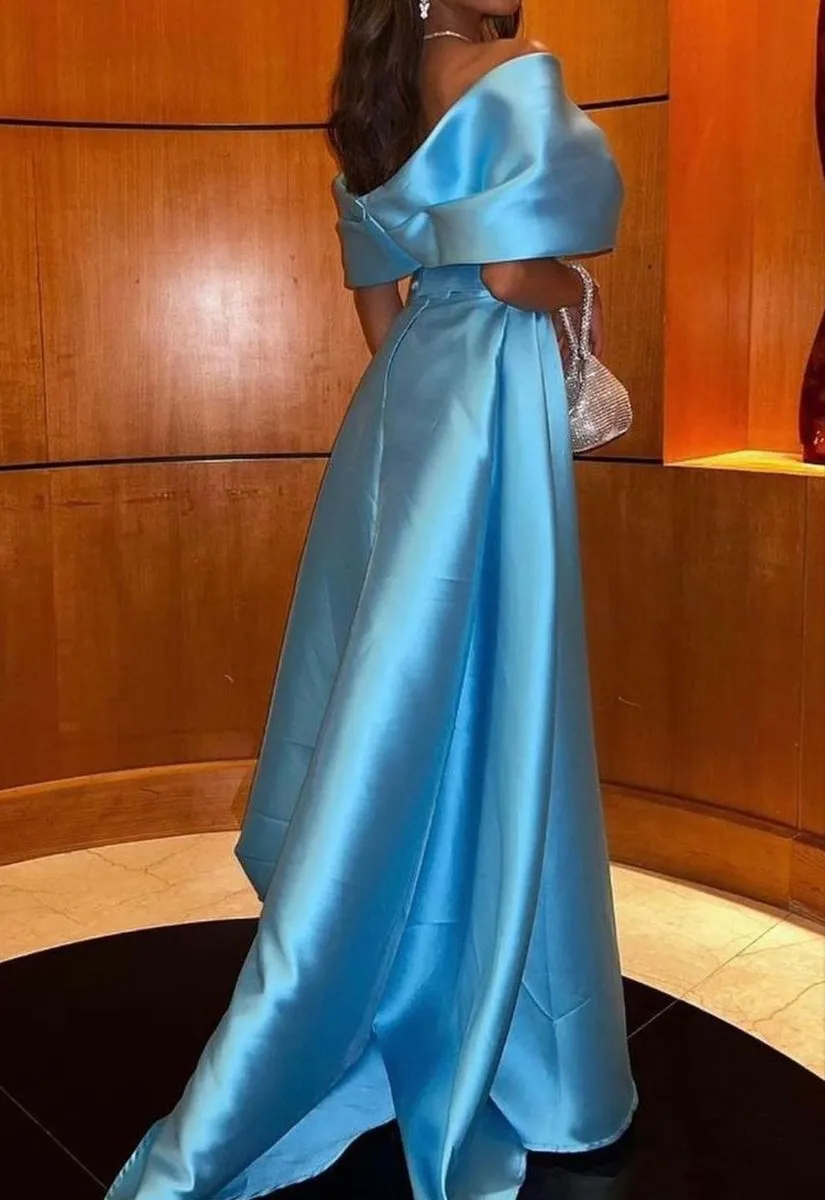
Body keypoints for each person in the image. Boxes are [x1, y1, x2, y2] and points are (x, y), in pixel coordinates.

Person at [106, 2, 637, 1198]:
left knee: (393, 689)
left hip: (404, 401)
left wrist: (434, 357)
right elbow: (512, 270)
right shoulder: (513, 66)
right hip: (487, 406)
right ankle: (488, 998)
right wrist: (576, 289)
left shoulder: (378, 93)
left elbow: (378, 296)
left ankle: (377, 944)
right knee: (489, 685)